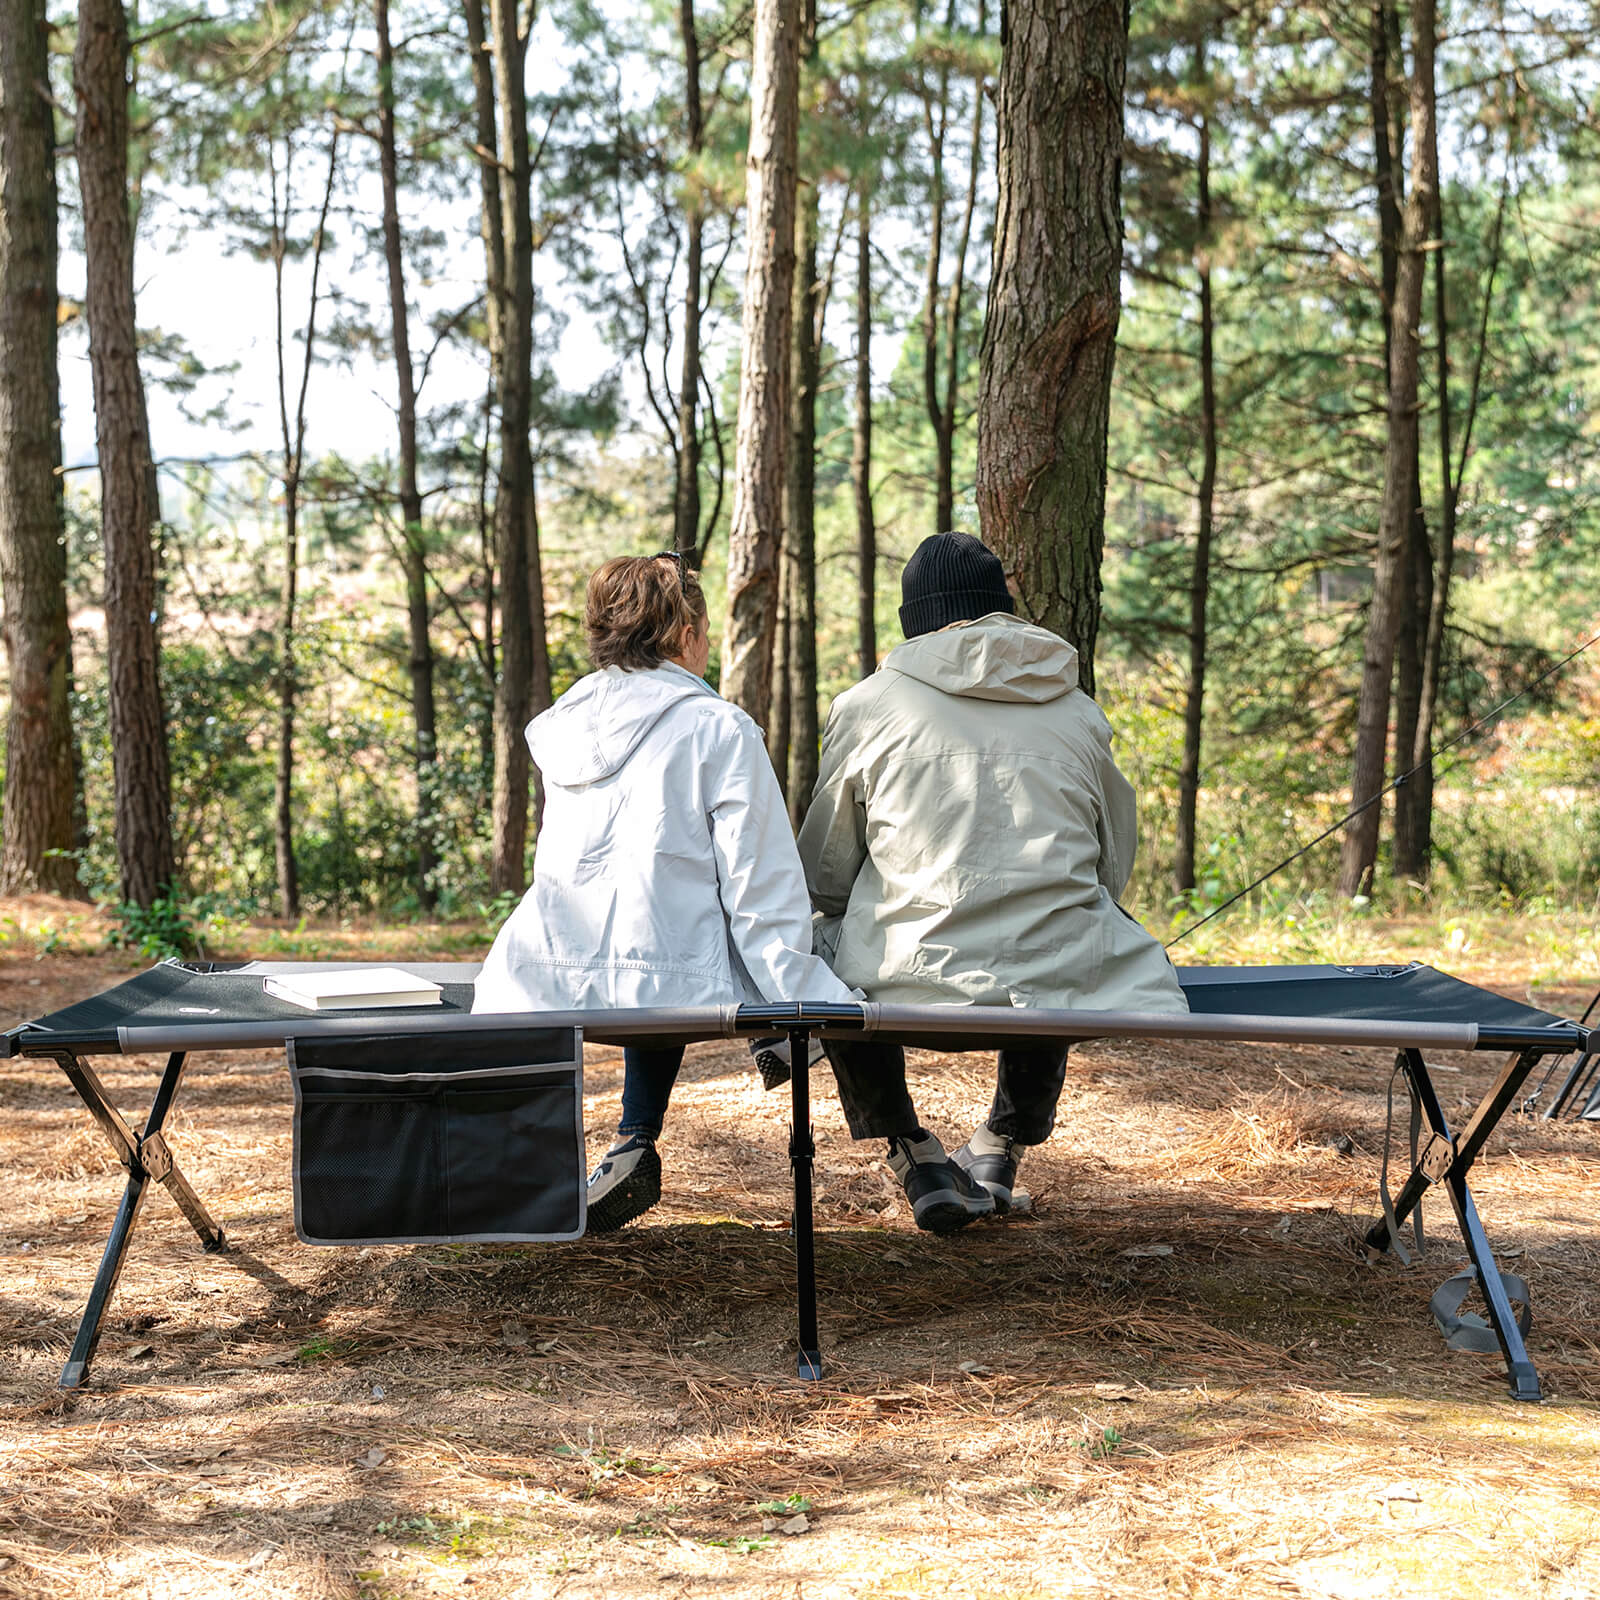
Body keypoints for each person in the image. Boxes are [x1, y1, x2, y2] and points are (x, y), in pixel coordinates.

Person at [796, 531, 1188, 1233]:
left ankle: (911, 1149)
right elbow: (1111, 865)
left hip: (905, 986)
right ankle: (1001, 1144)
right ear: (1000, 608)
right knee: (1059, 922)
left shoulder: (869, 705)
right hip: (1052, 990)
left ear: (915, 618)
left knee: (818, 943)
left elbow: (825, 875)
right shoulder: (1076, 706)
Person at [474, 552, 855, 1232]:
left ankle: (626, 1142)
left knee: (668, 920)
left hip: (549, 959)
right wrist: (808, 996)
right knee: (700, 934)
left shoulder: (567, 725)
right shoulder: (719, 730)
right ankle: (899, 1140)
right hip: (667, 964)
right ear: (685, 634)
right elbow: (759, 883)